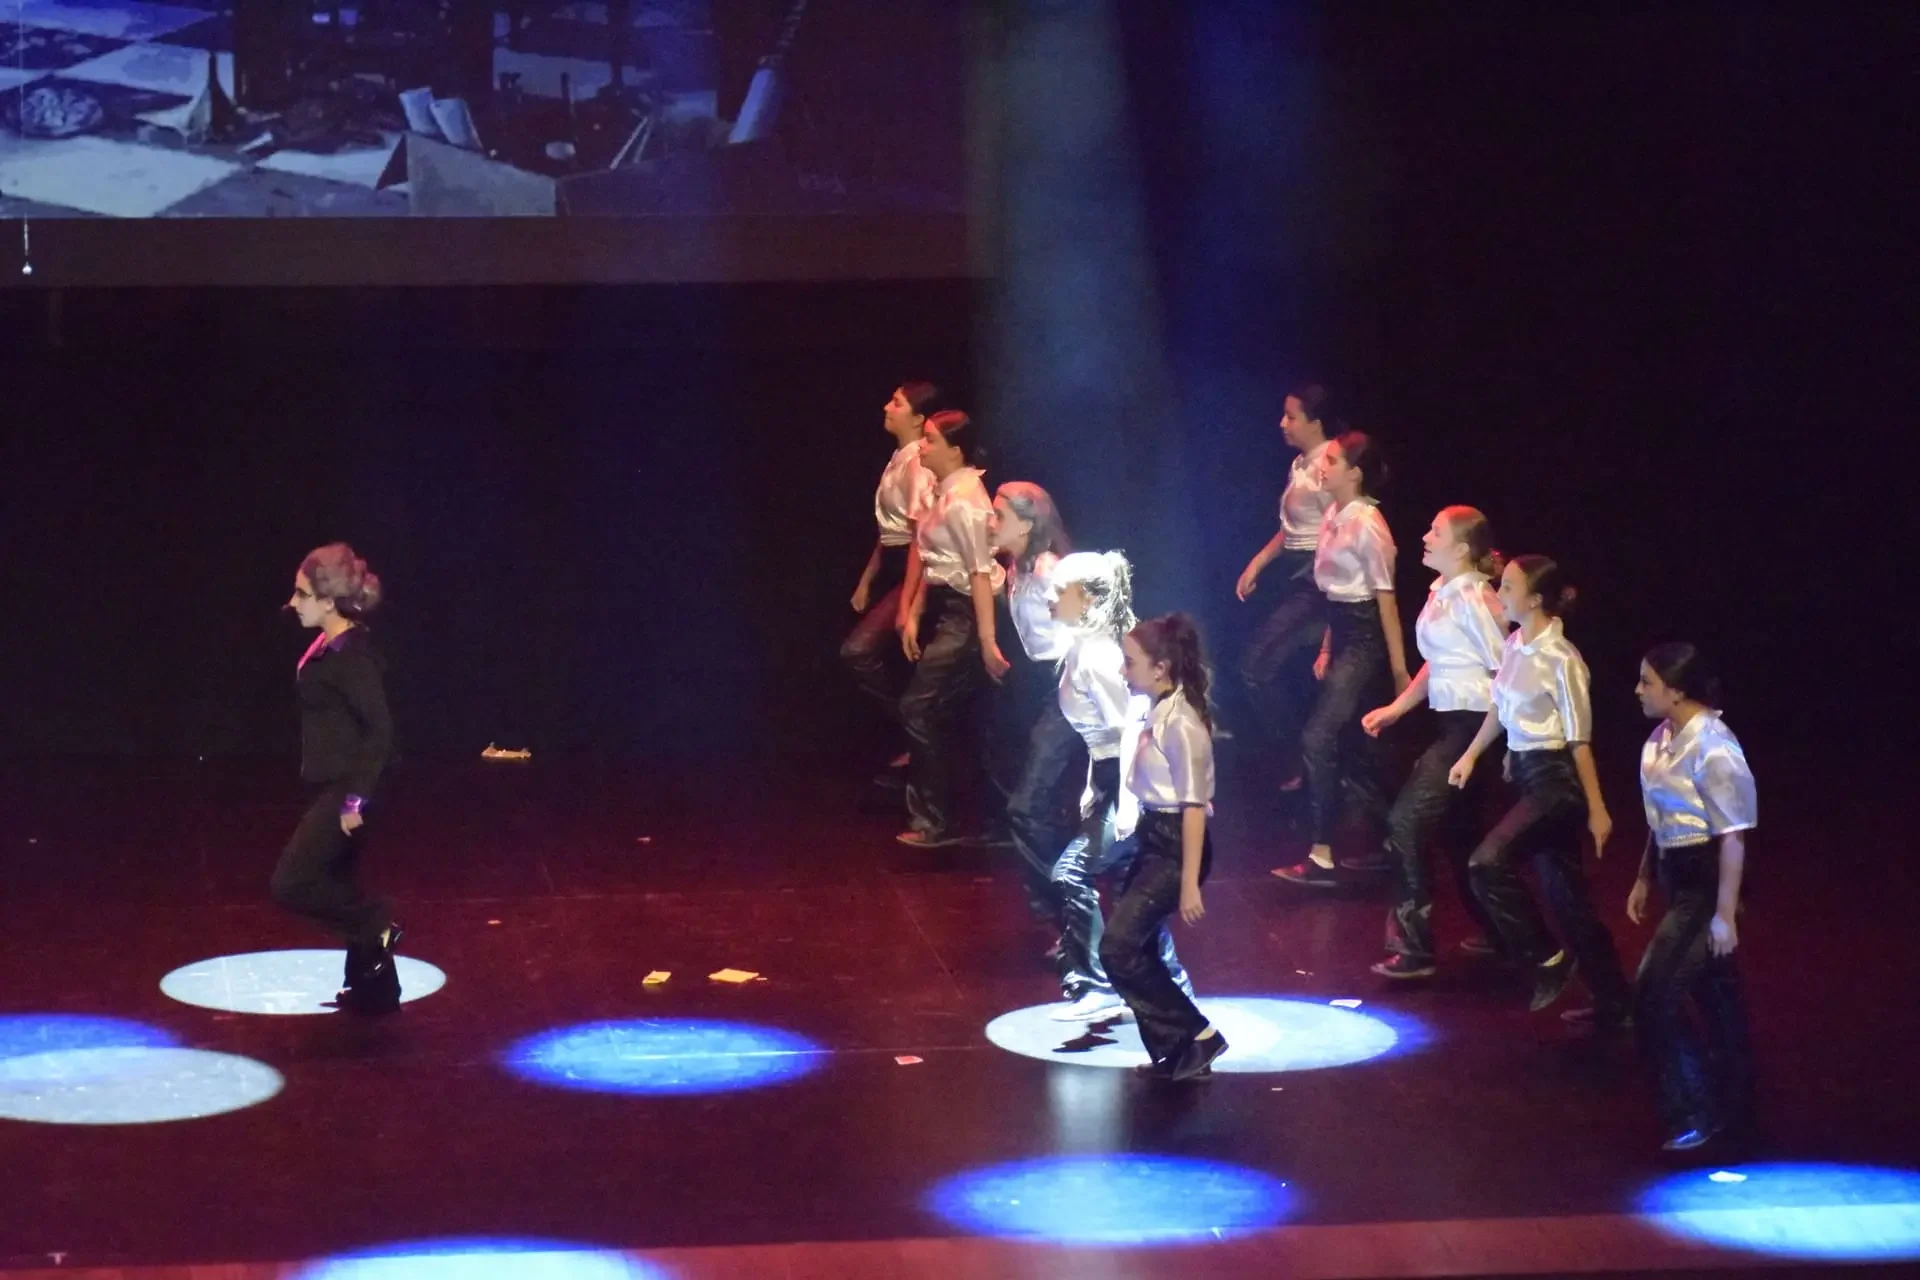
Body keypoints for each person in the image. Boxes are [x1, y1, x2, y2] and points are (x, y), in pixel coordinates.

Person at [1447, 556, 1630, 1022]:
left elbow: (1579, 741)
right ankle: (1615, 1000)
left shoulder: (1562, 659)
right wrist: (1471, 755)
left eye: (1508, 587)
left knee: (1487, 862)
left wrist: (1597, 807)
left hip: (1556, 782)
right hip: (1529, 777)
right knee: (1569, 900)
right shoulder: (1514, 644)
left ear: (1533, 599)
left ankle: (1548, 959)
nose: (1499, 593)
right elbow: (1500, 707)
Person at [1360, 507, 1509, 978]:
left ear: (1461, 548)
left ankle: (1415, 947)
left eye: (1436, 531)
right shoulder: (1443, 592)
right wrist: (1397, 708)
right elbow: (1439, 662)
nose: (1425, 536)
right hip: (1453, 726)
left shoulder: (1474, 599)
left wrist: (1489, 747)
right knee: (1461, 837)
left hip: (1474, 728)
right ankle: (1504, 934)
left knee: (1405, 823)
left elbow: (1507, 672)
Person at [1043, 552, 1192, 1022]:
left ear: (1087, 598)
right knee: (1133, 891)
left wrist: (1127, 803)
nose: (1049, 597)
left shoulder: (1097, 658)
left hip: (1136, 777)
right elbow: (1103, 738)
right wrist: (1094, 783)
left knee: (1071, 873)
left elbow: (1133, 728)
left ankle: (1096, 986)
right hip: (1115, 775)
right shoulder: (1081, 649)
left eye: (1060, 591)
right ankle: (1174, 988)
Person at [1628, 643, 1758, 1151]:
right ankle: (1735, 1111)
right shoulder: (1660, 740)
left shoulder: (1713, 745)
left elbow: (1733, 836)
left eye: (1648, 682)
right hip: (1673, 872)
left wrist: (1725, 914)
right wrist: (1643, 876)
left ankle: (1696, 1109)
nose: (1638, 690)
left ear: (1677, 690)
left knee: (1655, 993)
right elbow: (1659, 816)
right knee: (1715, 996)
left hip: (1703, 883)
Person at [1272, 432, 1409, 887]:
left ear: (1355, 473)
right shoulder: (1333, 513)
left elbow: (1383, 600)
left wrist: (1399, 671)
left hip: (1367, 638)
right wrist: (1328, 647)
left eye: (1332, 461)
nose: (1322, 467)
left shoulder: (1369, 524)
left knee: (1319, 736)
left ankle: (1322, 855)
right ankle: (1395, 844)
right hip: (1343, 630)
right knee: (1356, 750)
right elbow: (1336, 594)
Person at [274, 543, 401, 1014]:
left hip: (349, 787)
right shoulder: (332, 643)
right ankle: (377, 992)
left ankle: (377, 923)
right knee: (340, 884)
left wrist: (355, 800)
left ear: (328, 601)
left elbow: (380, 730)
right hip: (334, 781)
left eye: (301, 594)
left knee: (291, 883)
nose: (292, 602)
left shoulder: (353, 656)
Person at [1099, 614, 1225, 1082]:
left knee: (1118, 948)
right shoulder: (1159, 710)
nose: (1123, 670)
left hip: (1175, 845)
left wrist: (1189, 884)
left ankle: (1196, 1035)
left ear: (1161, 668)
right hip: (1155, 836)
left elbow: (1193, 808)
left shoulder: (1181, 723)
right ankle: (1178, 1051)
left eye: (1130, 662)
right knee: (1137, 946)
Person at [897, 410, 1006, 847]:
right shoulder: (944, 492)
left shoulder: (965, 501)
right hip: (950, 607)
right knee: (954, 714)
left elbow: (979, 572)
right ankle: (978, 817)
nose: (922, 447)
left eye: (930, 440)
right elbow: (936, 561)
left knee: (918, 707)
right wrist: (915, 610)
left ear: (955, 451)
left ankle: (936, 820)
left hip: (970, 611)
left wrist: (987, 640)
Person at [1236, 384, 1338, 791]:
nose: (1282, 423)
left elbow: (1340, 530)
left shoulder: (1329, 465)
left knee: (1256, 666)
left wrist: (1330, 596)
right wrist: (1258, 563)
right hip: (1295, 572)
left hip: (1317, 579)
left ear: (1316, 421)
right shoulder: (1300, 464)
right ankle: (1307, 761)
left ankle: (1302, 760)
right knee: (1274, 668)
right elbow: (1291, 529)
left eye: (1292, 416)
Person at [988, 482, 1082, 920]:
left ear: (1026, 525)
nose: (989, 522)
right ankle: (1067, 910)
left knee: (1027, 808)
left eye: (999, 516)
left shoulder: (1053, 571)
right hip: (1038, 683)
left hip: (1071, 685)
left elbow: (1092, 628)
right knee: (1037, 804)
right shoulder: (1017, 567)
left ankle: (1069, 911)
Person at [842, 381, 943, 768]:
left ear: (918, 419)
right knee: (892, 659)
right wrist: (867, 580)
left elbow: (918, 535)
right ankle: (915, 738)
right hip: (896, 563)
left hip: (915, 567)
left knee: (859, 650)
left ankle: (916, 730)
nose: (887, 407)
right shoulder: (899, 458)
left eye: (897, 403)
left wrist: (908, 603)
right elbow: (889, 531)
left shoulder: (918, 463)